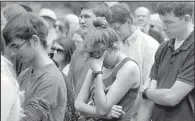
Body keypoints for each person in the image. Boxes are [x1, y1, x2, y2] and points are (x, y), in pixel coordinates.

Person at [3, 12, 67, 121]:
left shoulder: (50, 80)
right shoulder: (25, 74)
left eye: (16, 46)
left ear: (34, 40)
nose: (13, 53)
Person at [75, 18, 140, 121]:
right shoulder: (97, 61)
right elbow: (78, 105)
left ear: (113, 48)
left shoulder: (128, 68)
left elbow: (102, 109)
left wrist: (98, 73)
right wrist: (105, 115)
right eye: (91, 54)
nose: (95, 59)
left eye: (98, 54)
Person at [138, 2, 194, 121]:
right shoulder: (163, 47)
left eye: (168, 22)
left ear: (186, 18)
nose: (163, 27)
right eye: (162, 21)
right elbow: (147, 102)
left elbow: (172, 97)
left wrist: (146, 92)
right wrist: (148, 93)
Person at [67, 2, 112, 97]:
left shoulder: (110, 52)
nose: (81, 21)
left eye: (86, 16)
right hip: (76, 109)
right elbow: (68, 85)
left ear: (102, 20)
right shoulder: (78, 51)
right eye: (81, 17)